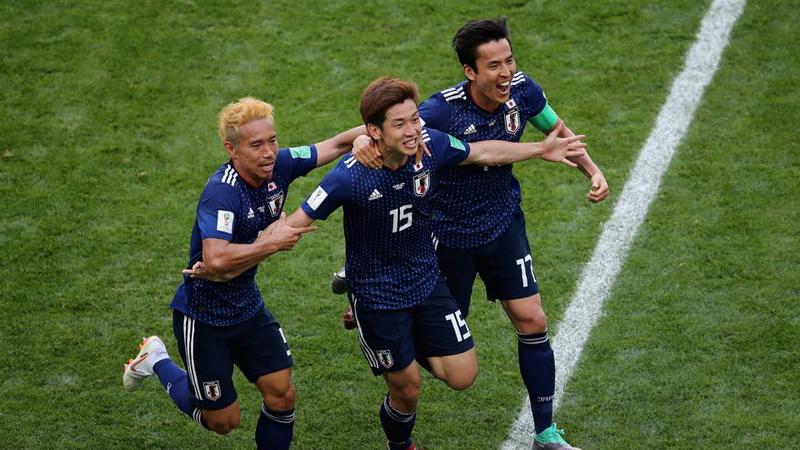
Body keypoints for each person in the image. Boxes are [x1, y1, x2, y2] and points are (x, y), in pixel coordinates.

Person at [343, 18, 609, 450]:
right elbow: (384, 127)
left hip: (503, 224)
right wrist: (360, 143)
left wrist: (592, 170)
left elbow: (557, 132)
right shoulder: (440, 110)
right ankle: (373, 308)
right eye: (494, 66)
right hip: (446, 236)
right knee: (448, 353)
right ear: (471, 72)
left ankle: (546, 432)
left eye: (510, 60)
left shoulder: (523, 91)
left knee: (532, 319)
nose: (506, 73)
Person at [285, 77, 587, 450]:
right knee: (407, 386)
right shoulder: (350, 176)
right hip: (378, 292)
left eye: (415, 120)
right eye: (401, 124)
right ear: (374, 131)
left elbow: (482, 153)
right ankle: (401, 445)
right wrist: (240, 254)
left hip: (425, 279)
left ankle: (386, 334)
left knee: (463, 375)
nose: (413, 130)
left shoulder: (433, 147)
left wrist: (539, 149)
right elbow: (296, 223)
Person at [121, 97, 365, 449]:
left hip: (247, 305)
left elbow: (340, 143)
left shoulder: (279, 165)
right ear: (231, 149)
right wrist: (270, 242)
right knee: (223, 421)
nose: (268, 152)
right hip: (203, 316)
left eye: (272, 140)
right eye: (256, 145)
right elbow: (216, 260)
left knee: (282, 396)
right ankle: (157, 358)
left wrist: (372, 136)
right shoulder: (222, 193)